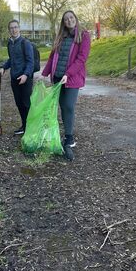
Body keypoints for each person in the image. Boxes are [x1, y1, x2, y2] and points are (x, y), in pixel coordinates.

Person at [41, 10, 91, 161]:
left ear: (75, 18)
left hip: (71, 78)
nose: (69, 21)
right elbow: (52, 57)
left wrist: (68, 74)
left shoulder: (84, 35)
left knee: (69, 105)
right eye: (66, 19)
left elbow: (81, 58)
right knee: (62, 106)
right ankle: (67, 134)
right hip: (57, 76)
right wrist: (44, 74)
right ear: (63, 22)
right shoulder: (60, 37)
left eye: (71, 18)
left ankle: (69, 138)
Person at [0, 19, 34, 135]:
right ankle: (24, 126)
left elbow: (30, 62)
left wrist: (25, 75)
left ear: (19, 29)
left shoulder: (25, 43)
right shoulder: (10, 44)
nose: (13, 30)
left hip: (25, 78)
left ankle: (30, 128)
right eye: (11, 28)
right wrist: (4, 67)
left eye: (15, 27)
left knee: (26, 104)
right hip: (14, 79)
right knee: (19, 103)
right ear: (9, 30)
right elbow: (11, 60)